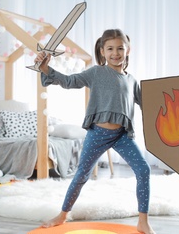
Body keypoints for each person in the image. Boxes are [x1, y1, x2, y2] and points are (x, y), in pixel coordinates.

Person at [33, 29, 155, 234]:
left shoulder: (132, 80)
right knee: (81, 175)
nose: (115, 53)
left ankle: (143, 221)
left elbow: (148, 106)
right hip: (98, 134)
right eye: (110, 49)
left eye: (120, 48)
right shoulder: (96, 72)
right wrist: (46, 68)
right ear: (102, 50)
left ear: (128, 50)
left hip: (121, 135)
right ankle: (62, 215)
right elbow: (70, 81)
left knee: (144, 170)